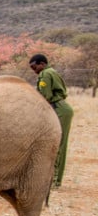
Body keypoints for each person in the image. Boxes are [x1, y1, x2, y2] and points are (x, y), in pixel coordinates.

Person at [29, 54, 73, 188]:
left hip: (58, 108)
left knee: (57, 144)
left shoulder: (45, 74)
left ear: (42, 64)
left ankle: (54, 181)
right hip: (60, 108)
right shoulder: (50, 72)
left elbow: (45, 96)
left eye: (34, 66)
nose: (34, 70)